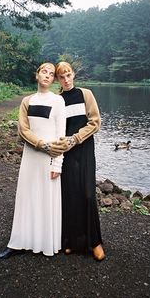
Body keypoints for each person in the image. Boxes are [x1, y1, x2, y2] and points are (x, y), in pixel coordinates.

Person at [0, 63, 66, 259]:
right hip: (31, 156)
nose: (47, 76)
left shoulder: (58, 101)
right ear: (37, 75)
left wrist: (57, 162)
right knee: (26, 198)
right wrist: (42, 145)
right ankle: (17, 243)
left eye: (51, 74)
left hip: (50, 159)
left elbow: (61, 134)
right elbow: (23, 130)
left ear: (53, 80)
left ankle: (45, 243)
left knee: (46, 199)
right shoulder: (27, 100)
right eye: (44, 71)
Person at [52, 61, 105, 261]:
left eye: (68, 75)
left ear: (73, 74)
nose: (66, 80)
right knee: (69, 194)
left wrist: (75, 138)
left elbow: (95, 122)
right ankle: (71, 242)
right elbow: (55, 127)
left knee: (88, 194)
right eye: (61, 77)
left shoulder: (85, 94)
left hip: (83, 148)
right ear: (58, 79)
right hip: (65, 152)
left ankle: (95, 243)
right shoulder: (56, 100)